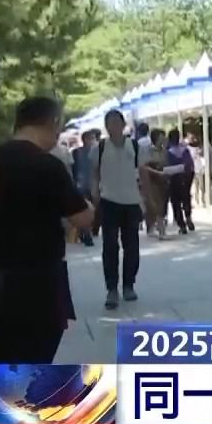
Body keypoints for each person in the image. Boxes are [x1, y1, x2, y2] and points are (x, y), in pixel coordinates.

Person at [0, 96, 92, 362]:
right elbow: (83, 218)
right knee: (36, 360)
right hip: (37, 281)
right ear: (51, 122)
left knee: (3, 357)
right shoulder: (48, 166)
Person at [92, 110, 154, 310]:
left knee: (132, 246)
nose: (113, 127)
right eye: (109, 124)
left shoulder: (134, 146)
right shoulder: (100, 148)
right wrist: (95, 194)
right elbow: (94, 173)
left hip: (131, 202)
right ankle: (111, 288)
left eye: (116, 123)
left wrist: (147, 199)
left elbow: (143, 174)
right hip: (108, 201)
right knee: (110, 246)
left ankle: (129, 285)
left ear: (123, 124)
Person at [71, 130, 100, 246]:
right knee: (85, 209)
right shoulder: (76, 152)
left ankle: (90, 231)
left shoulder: (97, 152)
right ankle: (87, 234)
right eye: (90, 138)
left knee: (94, 209)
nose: (92, 141)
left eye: (93, 138)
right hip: (82, 185)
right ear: (84, 140)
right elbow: (74, 169)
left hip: (92, 184)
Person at [166, 129, 196, 234]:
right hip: (185, 178)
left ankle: (181, 224)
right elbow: (191, 166)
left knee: (176, 202)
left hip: (174, 179)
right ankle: (188, 216)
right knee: (186, 198)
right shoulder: (185, 150)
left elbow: (166, 167)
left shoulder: (168, 153)